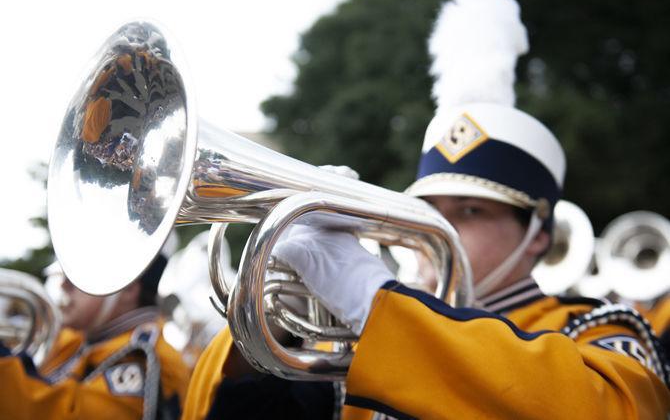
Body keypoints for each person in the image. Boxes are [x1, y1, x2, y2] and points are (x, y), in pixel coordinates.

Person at [183, 102, 670, 419]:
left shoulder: (595, 329)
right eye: (431, 208)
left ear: (539, 236)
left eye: (472, 211)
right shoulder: (359, 343)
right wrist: (280, 324)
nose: (442, 225)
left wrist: (368, 295)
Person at [0, 253, 190, 420]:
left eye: (82, 275)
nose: (63, 284)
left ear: (128, 287)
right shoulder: (76, 338)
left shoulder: (149, 358)